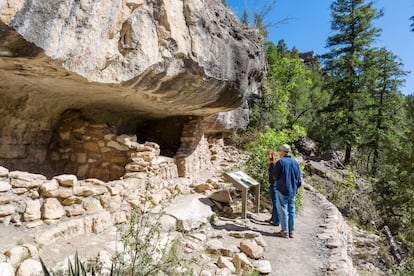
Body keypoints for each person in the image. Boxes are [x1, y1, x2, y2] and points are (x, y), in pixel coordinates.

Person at [272, 144, 302, 238]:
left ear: (283, 151)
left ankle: (284, 231)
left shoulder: (280, 162)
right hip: (293, 190)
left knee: (283, 209)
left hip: (282, 189)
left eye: (280, 150)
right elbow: (299, 178)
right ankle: (291, 231)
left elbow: (275, 176)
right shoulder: (295, 162)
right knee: (291, 210)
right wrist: (297, 187)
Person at [265, 149, 280, 226]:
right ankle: (273, 218)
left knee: (275, 203)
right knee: (274, 203)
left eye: (267, 155)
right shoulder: (274, 164)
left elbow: (274, 177)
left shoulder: (274, 165)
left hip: (274, 185)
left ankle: (276, 221)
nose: (266, 156)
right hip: (273, 185)